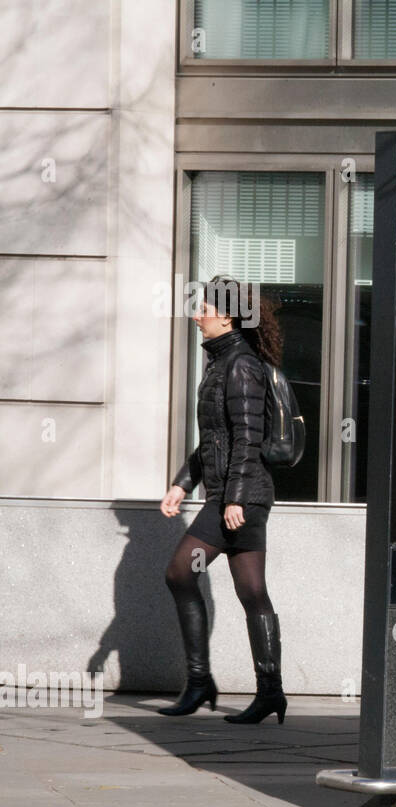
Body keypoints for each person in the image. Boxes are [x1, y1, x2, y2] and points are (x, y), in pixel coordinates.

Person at [158, 276, 287, 724]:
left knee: (179, 572)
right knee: (252, 591)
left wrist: (232, 499)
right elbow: (215, 439)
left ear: (226, 315)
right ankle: (270, 692)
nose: (196, 316)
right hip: (236, 494)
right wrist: (182, 483)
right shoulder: (221, 364)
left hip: (241, 497)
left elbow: (249, 439)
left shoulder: (240, 365)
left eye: (204, 309)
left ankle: (200, 681)